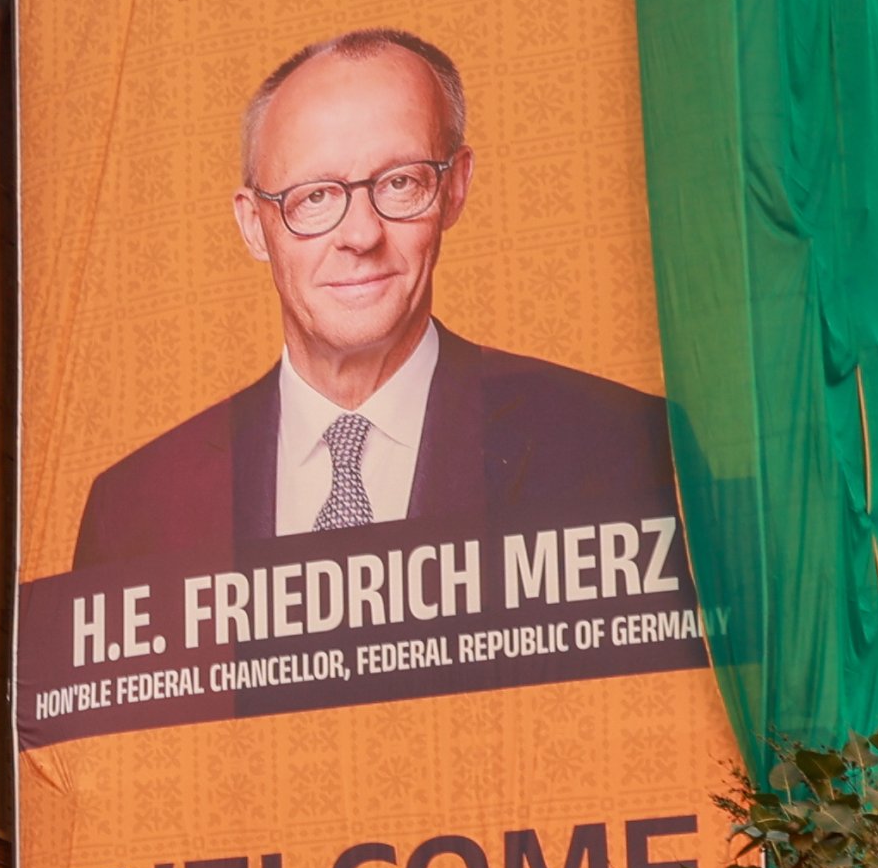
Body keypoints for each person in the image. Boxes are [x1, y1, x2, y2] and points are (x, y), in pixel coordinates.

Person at [68, 29, 678, 571]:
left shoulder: (620, 444)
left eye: (401, 182)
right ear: (254, 225)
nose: (361, 235)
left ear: (456, 188)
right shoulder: (133, 509)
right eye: (313, 197)